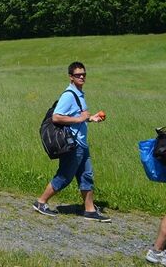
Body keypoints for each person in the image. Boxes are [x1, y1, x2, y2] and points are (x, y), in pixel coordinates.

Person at [32, 61, 109, 222]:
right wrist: (79, 118)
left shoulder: (79, 94)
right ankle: (41, 202)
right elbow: (56, 117)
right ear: (71, 77)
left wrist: (91, 118)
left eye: (83, 74)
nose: (81, 76)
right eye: (77, 75)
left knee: (86, 176)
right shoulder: (69, 95)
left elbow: (80, 117)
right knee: (65, 176)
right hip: (73, 144)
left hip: (82, 144)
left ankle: (89, 210)